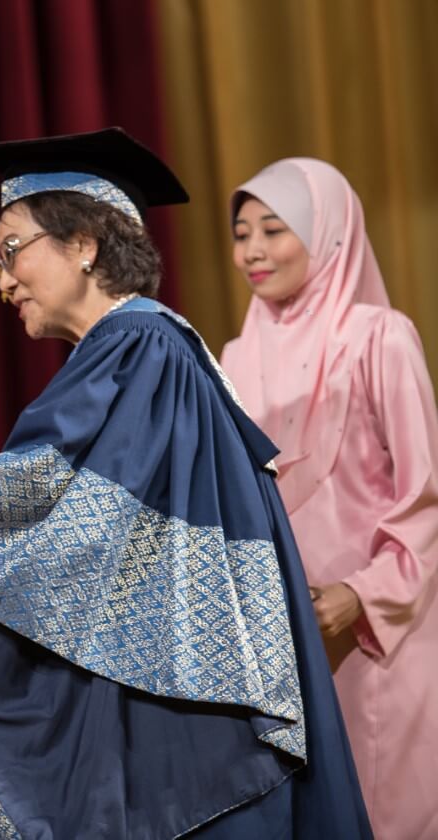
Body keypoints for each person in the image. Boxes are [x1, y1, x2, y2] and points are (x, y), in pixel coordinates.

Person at [0, 128, 371, 838]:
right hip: (180, 683)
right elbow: (82, 539)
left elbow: (41, 492)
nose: (2, 281)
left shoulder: (138, 345)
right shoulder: (153, 348)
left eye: (12, 250)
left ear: (83, 244)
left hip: (186, 710)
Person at [222, 158, 438, 840]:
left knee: (392, 810)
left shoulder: (379, 337)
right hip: (284, 643)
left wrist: (362, 594)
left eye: (273, 229)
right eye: (240, 232)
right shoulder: (232, 356)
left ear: (329, 235)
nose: (251, 250)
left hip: (381, 637)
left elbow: (426, 495)